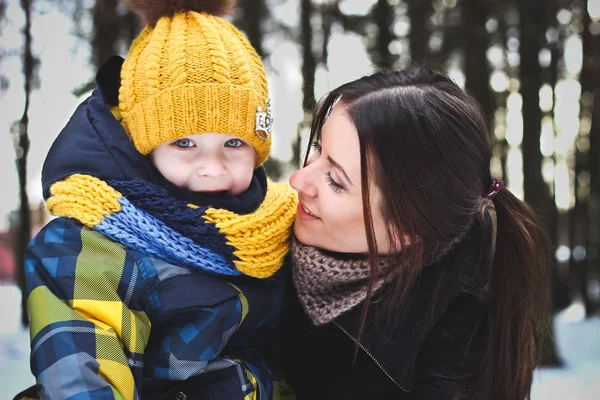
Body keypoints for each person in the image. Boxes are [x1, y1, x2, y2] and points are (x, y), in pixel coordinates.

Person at [20, 0, 297, 399]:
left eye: (234, 143)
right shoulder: (90, 248)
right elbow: (83, 376)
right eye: (185, 143)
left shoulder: (273, 230)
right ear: (143, 144)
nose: (212, 168)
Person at [279, 65, 551, 400]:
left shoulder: (452, 356)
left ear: (403, 231)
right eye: (318, 149)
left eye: (335, 180)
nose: (298, 180)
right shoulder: (256, 244)